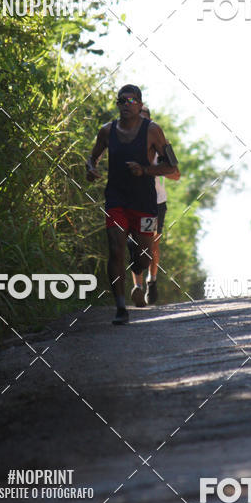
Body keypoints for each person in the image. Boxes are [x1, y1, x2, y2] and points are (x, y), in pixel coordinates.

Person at [86, 85, 179, 325]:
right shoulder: (107, 131)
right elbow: (92, 157)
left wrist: (145, 170)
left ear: (140, 104)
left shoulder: (153, 131)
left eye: (131, 101)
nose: (126, 105)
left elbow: (172, 167)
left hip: (145, 203)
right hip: (116, 200)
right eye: (122, 101)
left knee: (143, 260)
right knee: (115, 249)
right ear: (117, 104)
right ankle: (120, 307)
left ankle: (136, 251)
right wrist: (91, 169)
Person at [131, 106, 180, 305]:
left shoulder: (163, 146)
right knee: (136, 243)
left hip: (156, 201)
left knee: (152, 244)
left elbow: (176, 175)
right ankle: (137, 287)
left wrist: (154, 169)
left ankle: (152, 281)